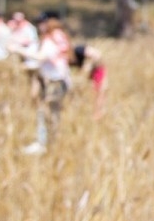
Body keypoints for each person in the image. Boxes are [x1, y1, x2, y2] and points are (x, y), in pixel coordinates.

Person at [16, 11, 72, 156]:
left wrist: (19, 50)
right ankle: (51, 143)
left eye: (42, 23)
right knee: (52, 113)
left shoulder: (50, 39)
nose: (39, 26)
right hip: (57, 80)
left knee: (46, 112)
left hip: (55, 82)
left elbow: (42, 57)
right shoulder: (58, 37)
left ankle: (45, 144)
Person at [69, 42, 107, 120]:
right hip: (91, 73)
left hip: (97, 70)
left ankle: (98, 114)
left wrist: (89, 66)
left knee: (98, 92)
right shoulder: (69, 58)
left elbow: (97, 55)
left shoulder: (78, 50)